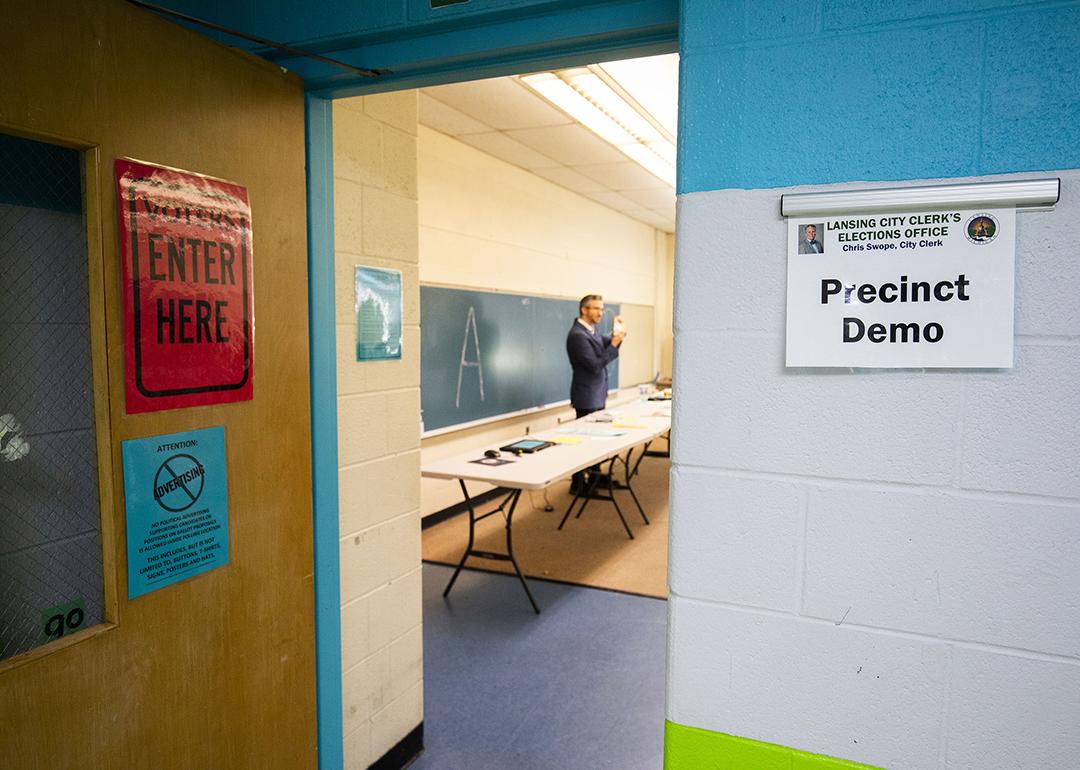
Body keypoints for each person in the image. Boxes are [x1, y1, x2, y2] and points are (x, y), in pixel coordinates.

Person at [566, 294, 625, 493]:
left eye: (601, 308)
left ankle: (595, 477)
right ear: (584, 310)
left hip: (597, 393)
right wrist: (615, 344)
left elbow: (606, 341)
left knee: (596, 439)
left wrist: (618, 334)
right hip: (586, 396)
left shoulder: (590, 331)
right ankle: (578, 483)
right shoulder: (577, 336)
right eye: (596, 309)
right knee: (585, 441)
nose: (601, 312)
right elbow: (594, 365)